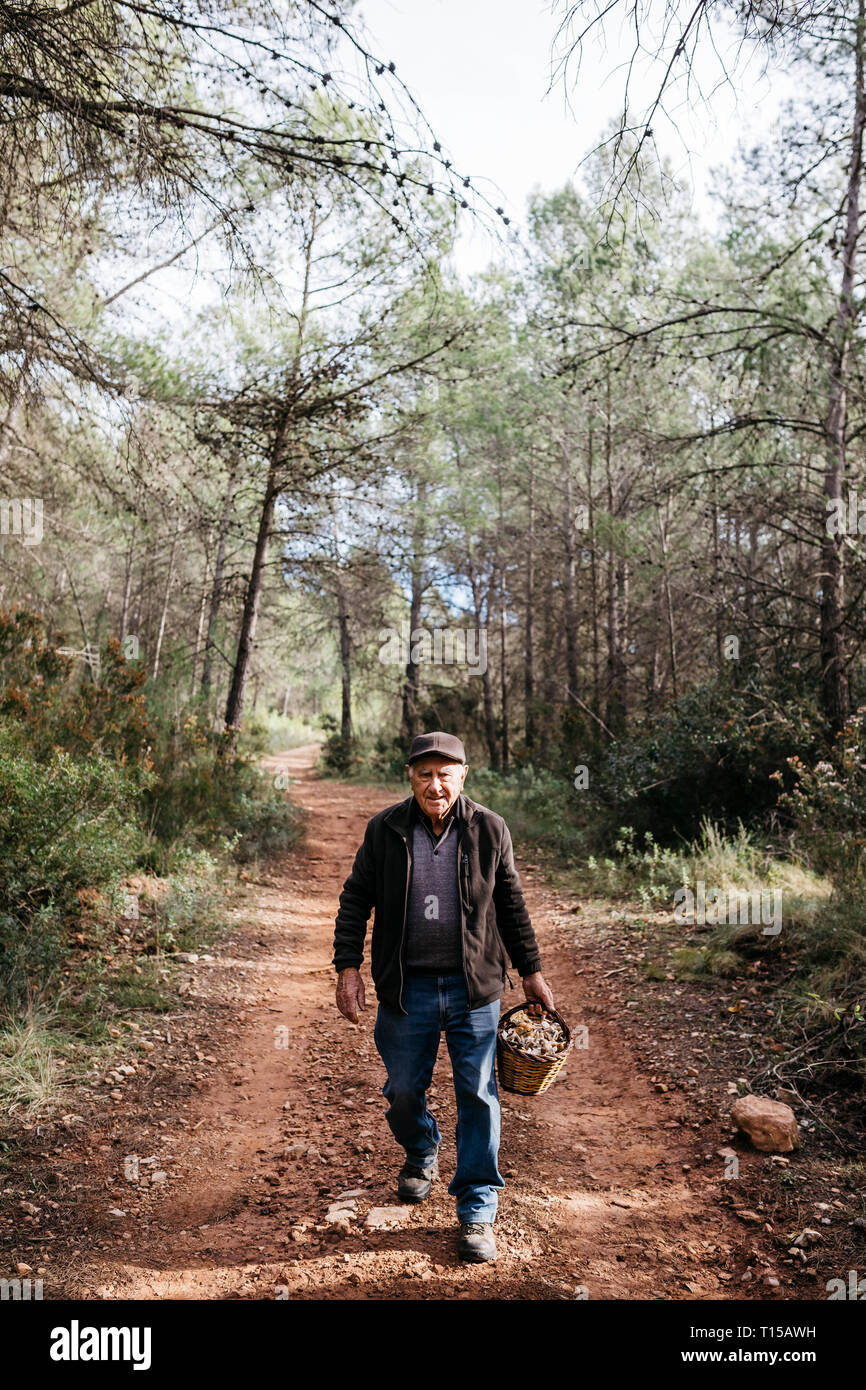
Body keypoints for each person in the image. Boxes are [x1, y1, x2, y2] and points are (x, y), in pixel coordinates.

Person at [332, 729, 554, 1263]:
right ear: (410, 776)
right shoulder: (384, 829)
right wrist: (348, 968)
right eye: (425, 774)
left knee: (478, 1094)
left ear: (463, 776)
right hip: (406, 989)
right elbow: (355, 898)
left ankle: (477, 1206)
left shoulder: (489, 830)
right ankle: (421, 1147)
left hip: (473, 989)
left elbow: (512, 905)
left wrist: (531, 971)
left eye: (445, 775)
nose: (435, 785)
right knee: (403, 1089)